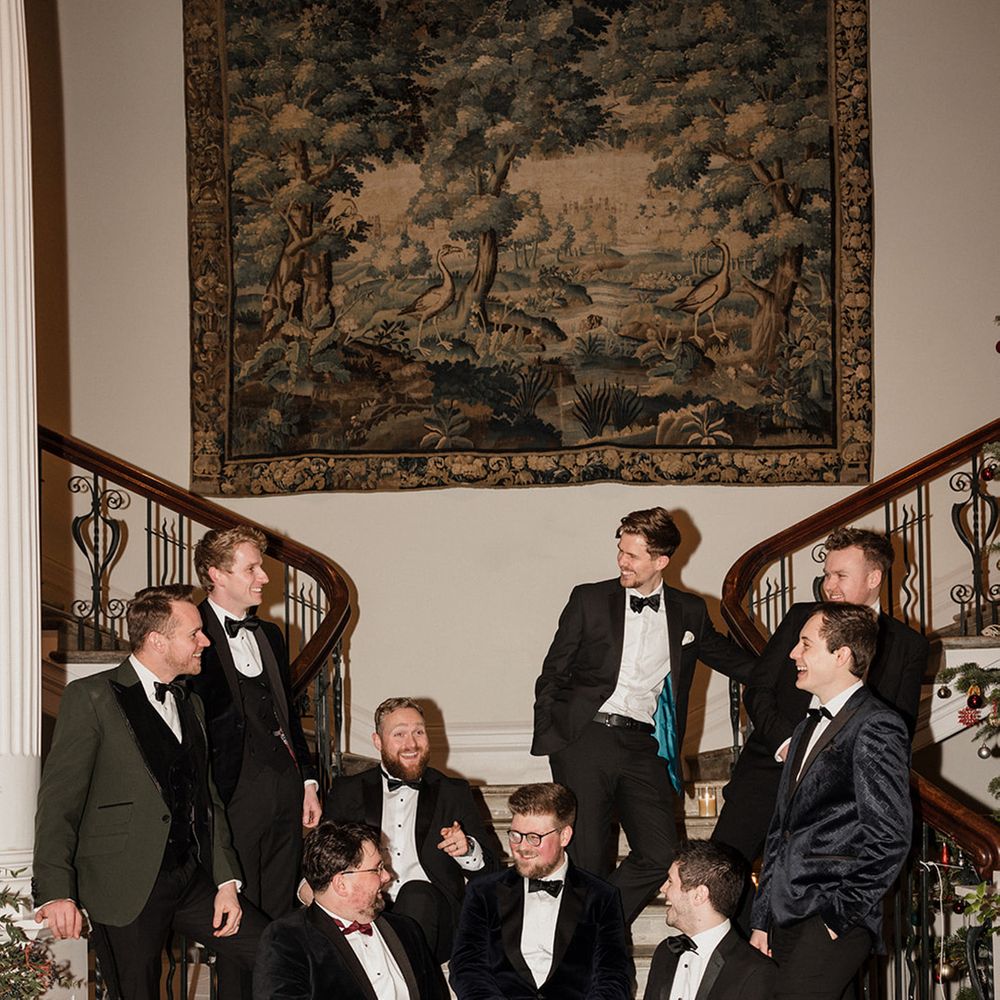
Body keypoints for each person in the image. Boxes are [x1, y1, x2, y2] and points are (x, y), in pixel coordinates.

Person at [32, 585, 267, 1000]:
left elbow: (207, 800)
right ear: (157, 640)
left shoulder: (190, 703)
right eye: (194, 633)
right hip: (121, 885)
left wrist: (227, 880)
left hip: (191, 878)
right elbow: (58, 803)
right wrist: (55, 891)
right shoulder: (90, 697)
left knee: (274, 949)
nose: (206, 641)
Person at [531, 508, 753, 922]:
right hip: (585, 738)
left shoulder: (689, 610)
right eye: (621, 550)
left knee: (660, 853)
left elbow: (731, 659)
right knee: (589, 856)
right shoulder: (589, 598)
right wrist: (555, 737)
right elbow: (553, 672)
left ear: (661, 561)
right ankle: (587, 952)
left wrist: (793, 668)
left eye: (633, 555)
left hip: (641, 743)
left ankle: (590, 923)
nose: (622, 561)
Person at [713, 528, 928, 895]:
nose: (829, 585)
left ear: (874, 578)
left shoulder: (908, 646)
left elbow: (899, 727)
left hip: (839, 795)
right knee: (715, 875)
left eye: (841, 576)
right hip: (768, 771)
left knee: (804, 895)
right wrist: (786, 742)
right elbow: (760, 689)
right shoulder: (800, 617)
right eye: (827, 574)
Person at [749, 602, 912, 1000]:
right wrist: (762, 917)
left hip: (832, 913)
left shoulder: (876, 725)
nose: (793, 654)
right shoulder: (805, 727)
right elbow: (780, 832)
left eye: (805, 644)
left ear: (841, 655)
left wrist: (838, 916)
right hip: (786, 913)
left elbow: (890, 838)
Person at [191, 526, 320, 996]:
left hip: (283, 788)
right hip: (230, 794)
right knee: (238, 917)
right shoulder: (191, 629)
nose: (263, 577)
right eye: (251, 568)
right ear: (215, 574)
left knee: (283, 909)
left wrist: (307, 781)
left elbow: (286, 713)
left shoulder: (269, 633)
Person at [322, 697, 499, 961]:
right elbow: (321, 857)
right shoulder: (348, 791)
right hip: (365, 911)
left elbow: (493, 871)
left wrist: (468, 850)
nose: (411, 744)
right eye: (399, 734)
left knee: (416, 893)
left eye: (419, 732)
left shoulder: (453, 792)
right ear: (377, 741)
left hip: (434, 919)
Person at [449, 782, 631, 1000]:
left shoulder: (601, 896)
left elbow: (613, 976)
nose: (523, 847)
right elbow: (467, 968)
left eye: (534, 837)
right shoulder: (483, 893)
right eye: (515, 835)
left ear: (565, 836)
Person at [253, 821, 448, 999]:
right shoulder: (286, 939)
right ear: (341, 884)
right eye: (377, 868)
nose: (387, 876)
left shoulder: (406, 930)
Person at [644, 840, 775, 1000]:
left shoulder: (756, 971)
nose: (663, 888)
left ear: (699, 895)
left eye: (670, 881)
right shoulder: (665, 953)